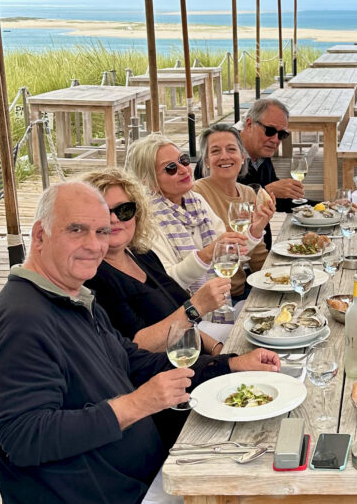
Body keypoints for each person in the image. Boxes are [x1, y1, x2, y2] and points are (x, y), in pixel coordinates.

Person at [0, 181, 281, 504]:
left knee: (269, 486)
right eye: (77, 230)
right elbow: (23, 437)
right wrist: (137, 404)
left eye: (101, 231)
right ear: (40, 235)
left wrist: (230, 365)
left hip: (143, 484)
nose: (94, 244)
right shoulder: (20, 320)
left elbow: (135, 362)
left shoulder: (73, 299)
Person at [81, 168, 232, 352]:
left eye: (124, 210)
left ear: (137, 213)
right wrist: (198, 306)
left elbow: (184, 321)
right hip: (166, 371)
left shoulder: (141, 254)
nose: (114, 219)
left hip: (191, 352)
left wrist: (217, 349)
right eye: (103, 212)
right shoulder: (94, 275)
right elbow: (136, 346)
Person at [125, 134, 273, 299]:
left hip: (217, 303)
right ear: (148, 181)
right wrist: (208, 253)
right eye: (171, 168)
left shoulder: (195, 201)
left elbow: (228, 255)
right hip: (184, 313)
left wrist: (255, 229)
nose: (183, 169)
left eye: (184, 160)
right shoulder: (147, 220)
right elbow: (167, 282)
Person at [193, 123, 270, 300]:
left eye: (231, 149)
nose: (224, 156)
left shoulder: (248, 193)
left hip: (242, 290)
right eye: (215, 151)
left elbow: (257, 252)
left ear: (243, 157)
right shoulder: (197, 194)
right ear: (206, 161)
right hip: (218, 301)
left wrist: (274, 280)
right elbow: (204, 251)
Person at [235, 98, 309, 248]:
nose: (275, 140)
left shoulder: (261, 153)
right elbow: (225, 208)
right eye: (270, 131)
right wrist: (265, 192)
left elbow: (280, 201)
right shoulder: (225, 156)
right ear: (249, 124)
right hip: (235, 252)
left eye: (281, 135)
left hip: (261, 248)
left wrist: (326, 206)